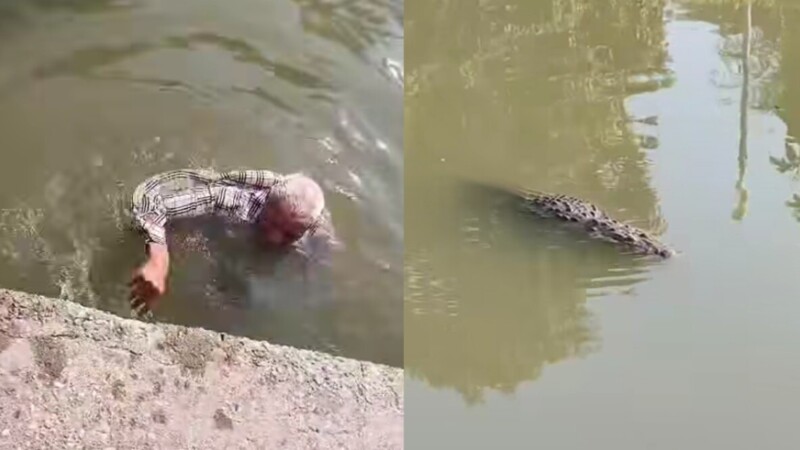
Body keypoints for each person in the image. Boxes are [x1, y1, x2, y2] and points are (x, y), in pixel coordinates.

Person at [128, 168, 338, 316]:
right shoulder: (229, 199)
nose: (274, 238)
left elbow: (325, 249)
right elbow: (152, 206)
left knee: (235, 300)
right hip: (218, 221)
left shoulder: (316, 222)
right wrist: (159, 261)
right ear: (264, 204)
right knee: (142, 231)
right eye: (270, 224)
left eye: (290, 235)